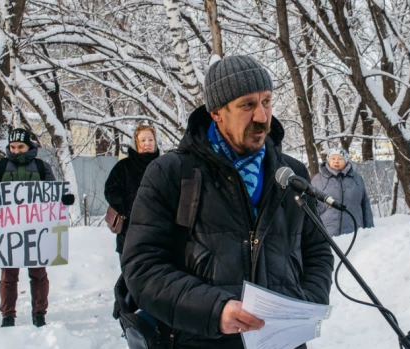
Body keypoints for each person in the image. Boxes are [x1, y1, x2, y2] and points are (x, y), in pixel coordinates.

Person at [121, 55, 334, 349]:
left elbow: (318, 249)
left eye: (267, 102)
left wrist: (306, 304)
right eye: (247, 105)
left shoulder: (290, 174)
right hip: (200, 341)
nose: (262, 116)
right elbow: (142, 267)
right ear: (217, 113)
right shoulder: (172, 173)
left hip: (284, 342)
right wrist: (214, 309)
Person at [0, 128, 74, 327]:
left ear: (28, 146)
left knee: (38, 275)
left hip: (37, 232)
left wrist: (64, 199)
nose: (16, 151)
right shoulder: (0, 166)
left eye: (20, 147)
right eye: (12, 147)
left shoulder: (41, 167)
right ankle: (8, 315)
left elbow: (52, 193)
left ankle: (39, 314)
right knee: (8, 276)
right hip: (9, 232)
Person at [104, 125, 160, 263]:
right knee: (130, 276)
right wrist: (127, 208)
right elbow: (111, 190)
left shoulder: (163, 165)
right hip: (129, 232)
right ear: (136, 143)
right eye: (143, 140)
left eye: (150, 140)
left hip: (158, 233)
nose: (147, 144)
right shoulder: (124, 167)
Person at [311, 148, 374, 237]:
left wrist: (369, 230)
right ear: (328, 160)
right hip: (326, 232)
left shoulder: (357, 179)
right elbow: (311, 205)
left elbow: (365, 205)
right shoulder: (318, 179)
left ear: (346, 161)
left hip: (354, 232)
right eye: (333, 159)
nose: (336, 161)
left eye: (340, 159)